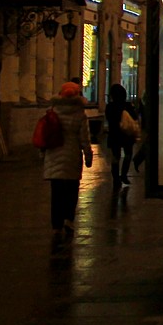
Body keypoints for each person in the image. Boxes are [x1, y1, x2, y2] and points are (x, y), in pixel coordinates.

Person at [45, 82, 95, 236]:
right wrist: (88, 155)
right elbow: (84, 138)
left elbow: (46, 133)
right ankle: (69, 219)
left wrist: (43, 153)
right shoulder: (80, 114)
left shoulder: (52, 111)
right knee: (72, 189)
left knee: (57, 191)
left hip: (54, 153)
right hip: (72, 154)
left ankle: (56, 225)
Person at [104, 79, 135, 186]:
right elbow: (134, 118)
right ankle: (124, 175)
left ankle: (116, 178)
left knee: (115, 156)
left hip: (114, 134)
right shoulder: (128, 106)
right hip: (127, 134)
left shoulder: (110, 106)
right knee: (128, 154)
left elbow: (108, 118)